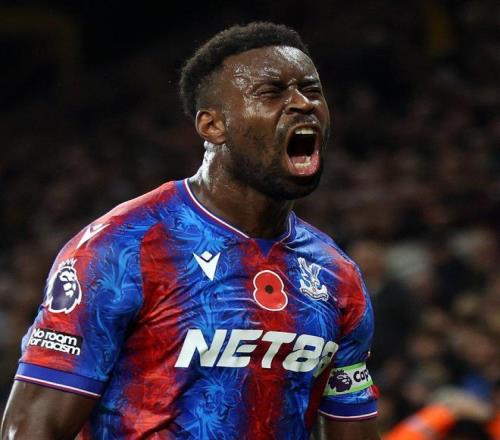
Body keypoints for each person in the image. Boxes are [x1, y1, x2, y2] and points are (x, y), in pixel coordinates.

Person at [1, 22, 379, 439]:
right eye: (272, 93)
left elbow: (354, 430)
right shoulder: (122, 247)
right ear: (212, 126)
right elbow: (31, 428)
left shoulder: (336, 275)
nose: (302, 104)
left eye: (311, 90)